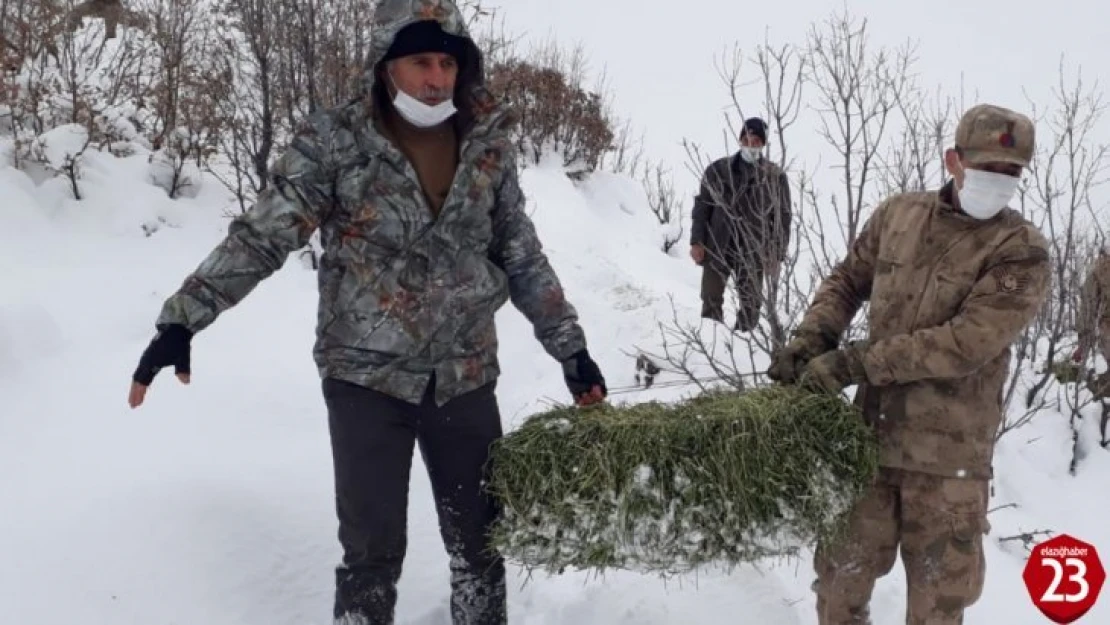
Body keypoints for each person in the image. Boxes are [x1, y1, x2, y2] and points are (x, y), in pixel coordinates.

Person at [126, 1, 608, 623]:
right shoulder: (335, 141)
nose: (437, 77)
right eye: (420, 62)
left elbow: (521, 252)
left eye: (447, 62)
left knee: (482, 549)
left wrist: (569, 347)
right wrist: (183, 318)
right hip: (365, 380)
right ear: (386, 65)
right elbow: (262, 235)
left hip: (464, 378)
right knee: (371, 557)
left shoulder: (487, 144)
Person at [768, 103, 1052, 625]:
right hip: (866, 450)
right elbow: (848, 279)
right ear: (954, 160)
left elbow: (966, 343)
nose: (999, 181)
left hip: (949, 466)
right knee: (838, 587)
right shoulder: (899, 216)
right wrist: (813, 337)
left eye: (1011, 172)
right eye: (988, 168)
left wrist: (853, 364)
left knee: (938, 609)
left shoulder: (1022, 250)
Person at [689, 117, 792, 332]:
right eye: (746, 139)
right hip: (718, 244)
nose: (750, 145)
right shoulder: (718, 170)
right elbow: (702, 208)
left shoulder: (774, 176)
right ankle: (711, 342)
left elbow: (782, 218)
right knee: (710, 296)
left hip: (754, 249)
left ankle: (743, 347)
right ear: (740, 140)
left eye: (756, 141)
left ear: (763, 144)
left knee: (750, 303)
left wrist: (776, 254)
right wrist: (697, 241)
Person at [1074, 246, 1110, 398]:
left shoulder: (1099, 272)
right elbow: (1088, 309)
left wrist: (1083, 344)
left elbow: (1088, 310)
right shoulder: (1099, 273)